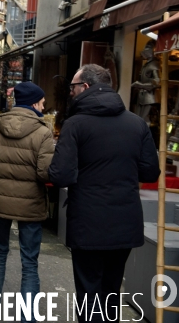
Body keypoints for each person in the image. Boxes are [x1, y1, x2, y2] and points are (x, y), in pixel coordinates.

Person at [49, 64, 160, 322]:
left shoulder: (75, 124)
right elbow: (150, 173)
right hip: (125, 221)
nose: (72, 92)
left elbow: (61, 175)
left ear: (86, 87)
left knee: (89, 292)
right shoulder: (137, 124)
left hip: (88, 221)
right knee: (111, 291)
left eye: (73, 87)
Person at [0, 82, 54, 323]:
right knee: (29, 260)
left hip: (1, 201)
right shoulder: (43, 132)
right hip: (30, 204)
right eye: (42, 102)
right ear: (34, 103)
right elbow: (45, 173)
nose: (44, 106)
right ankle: (27, 315)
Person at [131, 40, 160, 123]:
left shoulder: (154, 64)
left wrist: (141, 85)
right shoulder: (147, 64)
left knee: (144, 120)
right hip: (142, 96)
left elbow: (157, 82)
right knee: (138, 119)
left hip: (150, 97)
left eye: (149, 48)